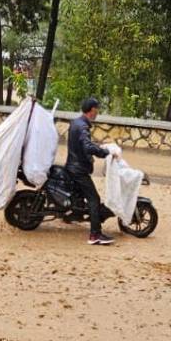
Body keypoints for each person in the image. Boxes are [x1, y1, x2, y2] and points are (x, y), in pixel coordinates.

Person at [66, 97, 120, 245]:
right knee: (94, 199)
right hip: (79, 170)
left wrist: (99, 146)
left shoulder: (76, 122)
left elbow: (85, 143)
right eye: (97, 109)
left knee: (80, 196)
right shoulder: (83, 127)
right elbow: (87, 147)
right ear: (92, 110)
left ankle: (73, 215)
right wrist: (106, 152)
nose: (98, 112)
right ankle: (95, 235)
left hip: (72, 166)